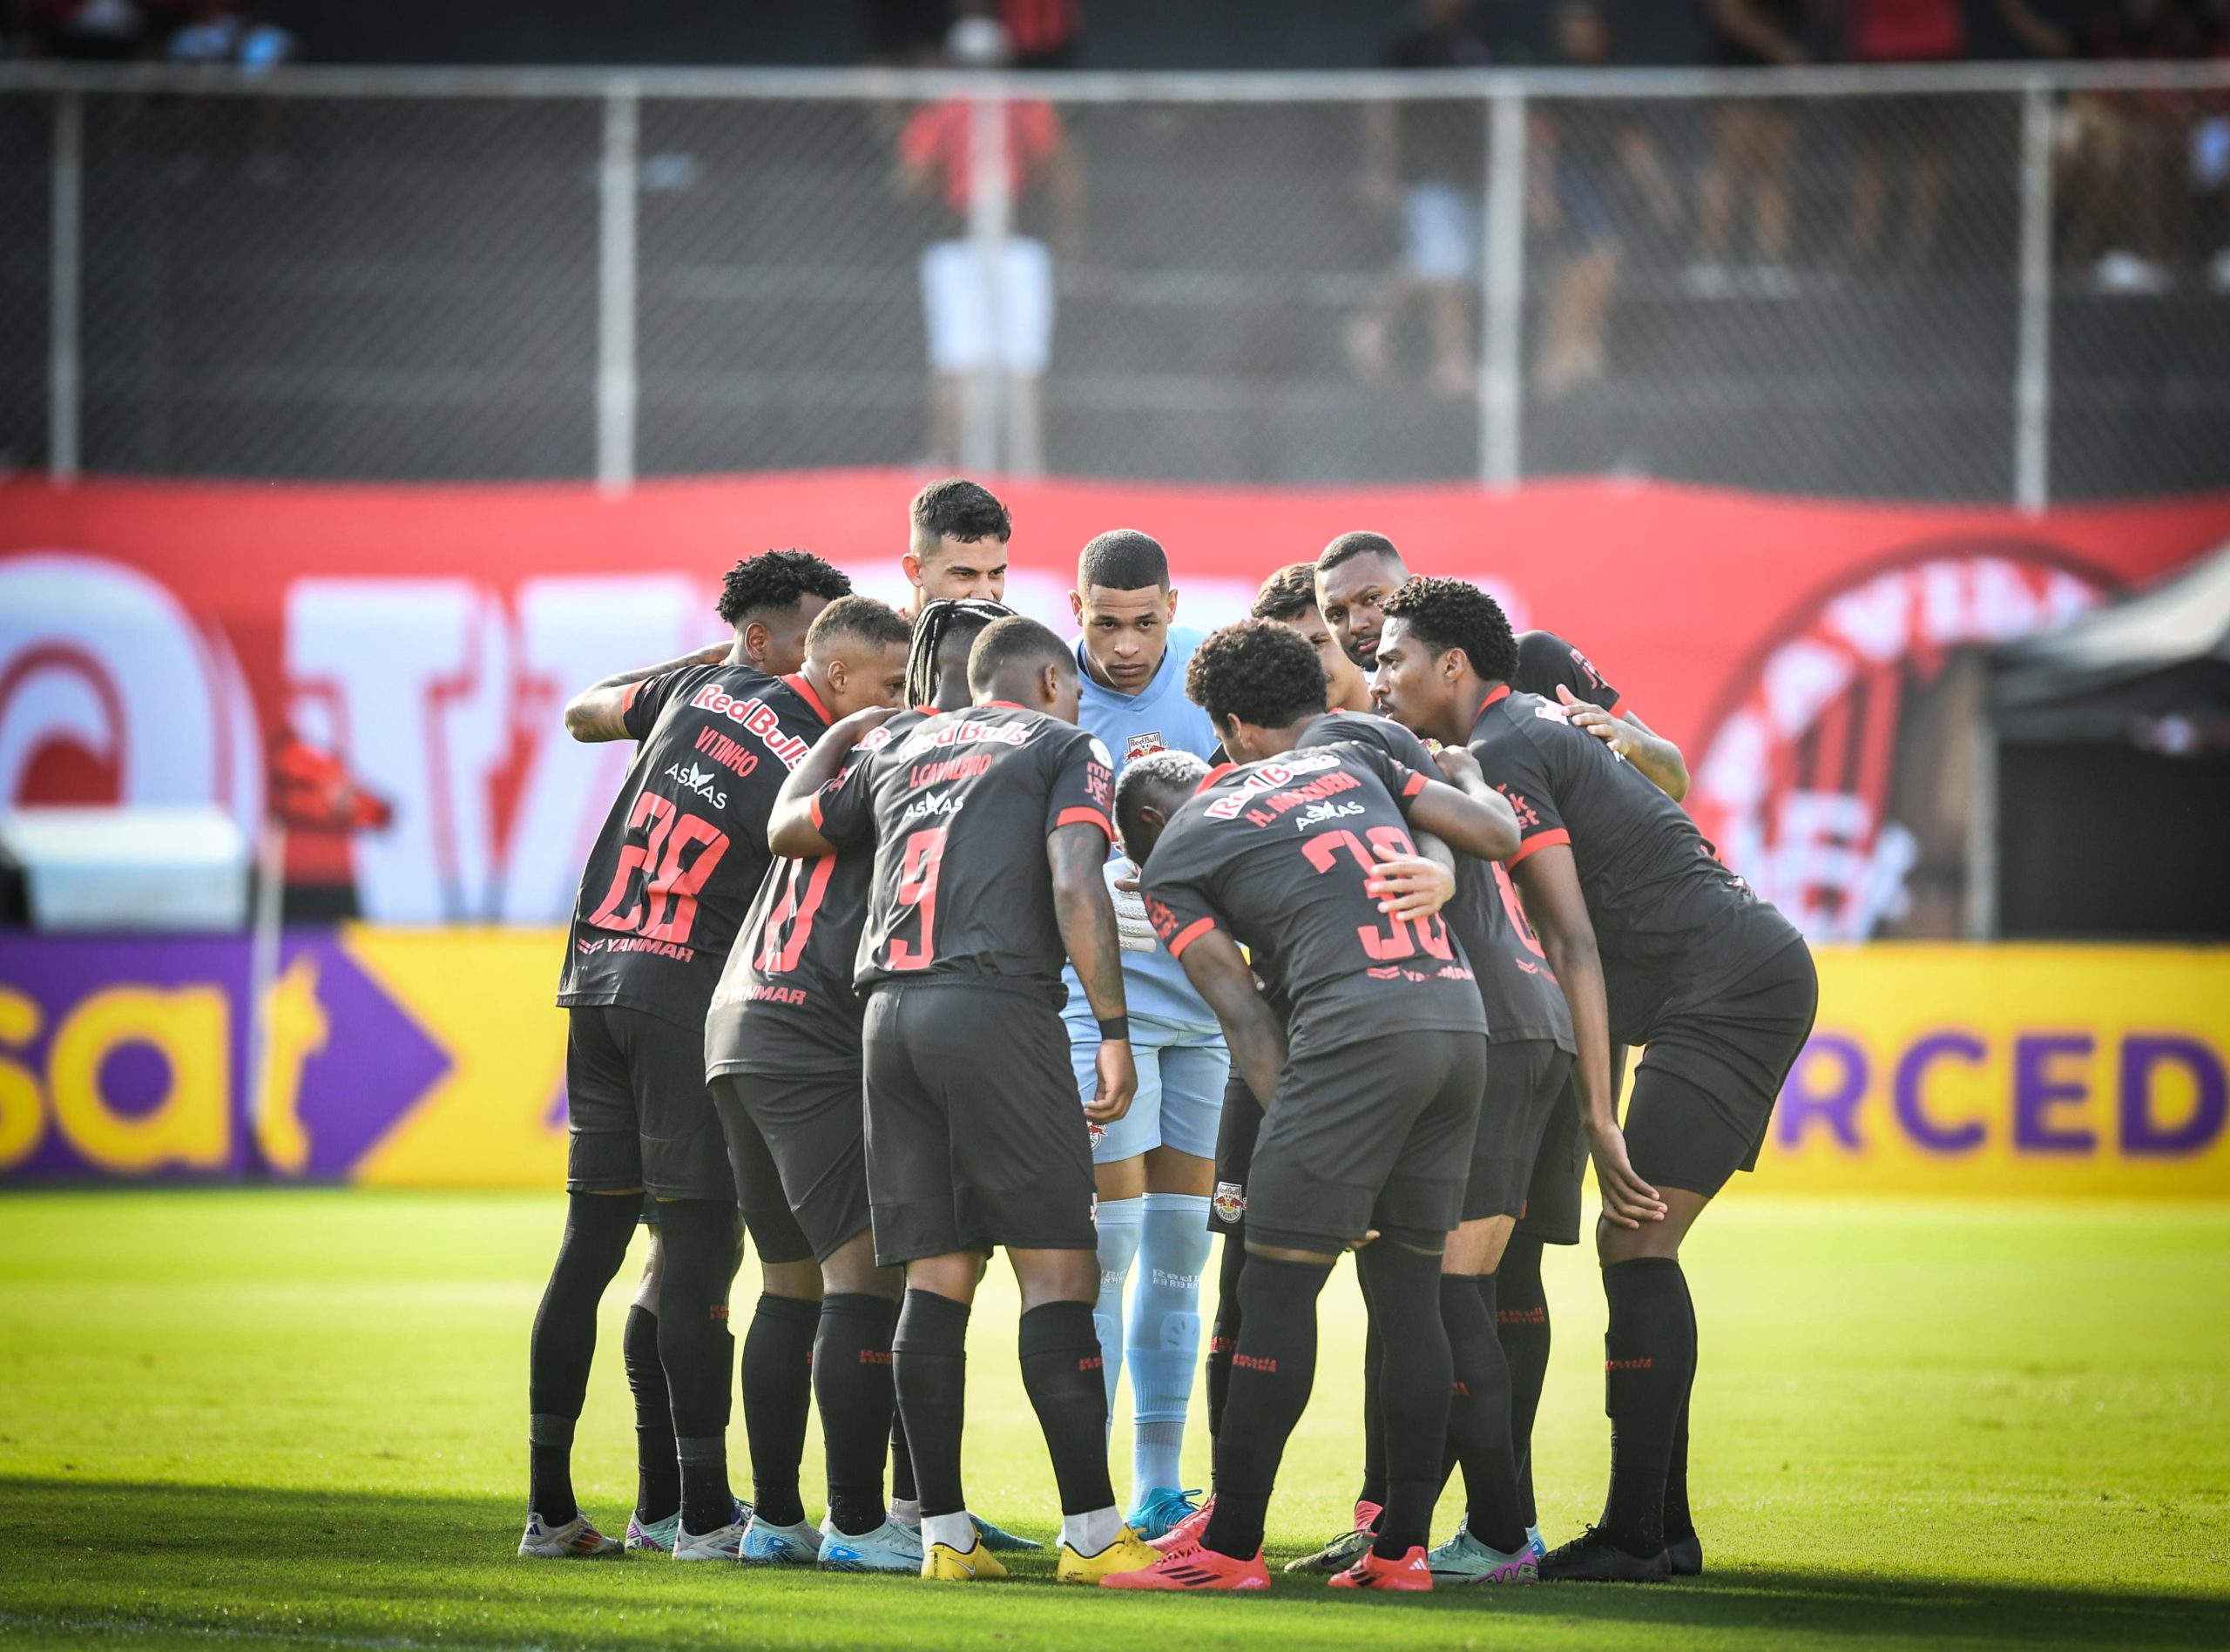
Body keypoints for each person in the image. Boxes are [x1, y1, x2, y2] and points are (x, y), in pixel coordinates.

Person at [1375, 577, 1818, 1582]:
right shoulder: (1512, 728)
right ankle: (1661, 1531)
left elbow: (1572, 940)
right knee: (1635, 1241)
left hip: (1730, 985)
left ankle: (1637, 1531)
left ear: (1452, 665)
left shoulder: (1503, 745)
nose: (1380, 674)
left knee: (1637, 1233)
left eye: (1395, 655)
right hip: (1719, 976)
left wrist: (1596, 1121)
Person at [1102, 620, 1518, 1593]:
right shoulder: (1352, 754)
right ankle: (1401, 1551)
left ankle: (1231, 1548)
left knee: (1274, 1288)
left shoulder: (1176, 856)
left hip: (1351, 1044)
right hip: (1457, 1025)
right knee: (1414, 1293)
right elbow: (1492, 834)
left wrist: (1309, 1140)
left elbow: (1247, 1021)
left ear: (1230, 727)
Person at [1308, 528, 1690, 1566]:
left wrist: (1601, 1106)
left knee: (1452, 1286)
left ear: (1444, 650)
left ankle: (1486, 1528)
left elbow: (1651, 785)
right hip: (1519, 1024)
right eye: (1346, 621)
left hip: (1502, 1027)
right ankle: (1422, 1525)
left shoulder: (1506, 709)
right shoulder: (1435, 731)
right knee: (1451, 1284)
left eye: (1380, 619)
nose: (1362, 639)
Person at [766, 616, 1160, 1585]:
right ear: (1047, 681)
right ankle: (1093, 1533)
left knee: (937, 1278)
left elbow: (785, 827)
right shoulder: (1066, 744)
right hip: (995, 1011)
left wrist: (837, 735)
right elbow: (1077, 879)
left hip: (887, 1021)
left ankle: (943, 1536)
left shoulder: (899, 739)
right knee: (1061, 1274)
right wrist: (1111, 1029)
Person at [523, 549, 854, 1563]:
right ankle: (706, 1516)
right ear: (767, 636)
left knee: (593, 1252)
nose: (831, 665)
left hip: (597, 980)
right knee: (697, 1260)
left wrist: (707, 665)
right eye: (814, 637)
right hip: (686, 999)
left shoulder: (700, 680)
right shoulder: (818, 734)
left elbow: (582, 712)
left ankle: (563, 1511)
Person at [682, 597, 913, 1568]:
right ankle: (858, 1525)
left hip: (735, 1024)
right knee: (864, 1279)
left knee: (788, 1283)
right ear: (840, 680)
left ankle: (778, 1519)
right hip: (804, 1038)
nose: (908, 702)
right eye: (893, 686)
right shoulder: (898, 778)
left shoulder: (821, 778)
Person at [1060, 530, 1227, 1540]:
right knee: (1105, 1250)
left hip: (1203, 1002)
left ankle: (1160, 1485)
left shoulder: (1212, 681)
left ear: (1173, 605)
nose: (1126, 646)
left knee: (1178, 1251)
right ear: (1074, 608)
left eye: (1144, 623)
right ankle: (1095, 1502)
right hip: (1095, 1005)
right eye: (1104, 623)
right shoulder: (1046, 686)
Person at [1314, 529, 1689, 800]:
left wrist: (1628, 741)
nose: (1356, 623)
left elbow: (1675, 780)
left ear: (1414, 586)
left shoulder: (1539, 659)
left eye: (1371, 598)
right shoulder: (1379, 732)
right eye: (1336, 613)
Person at [896, 15, 1083, 475]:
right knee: (1004, 362)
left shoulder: (944, 109)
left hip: (981, 242)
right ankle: (1021, 464)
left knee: (969, 361)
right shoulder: (1024, 105)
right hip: (994, 243)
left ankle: (954, 463)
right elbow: (1059, 170)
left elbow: (912, 179)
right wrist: (1067, 231)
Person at [1348, 0, 1494, 399]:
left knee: (1447, 267)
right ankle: (1452, 362)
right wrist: (1381, 166)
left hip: (1470, 173)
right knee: (1445, 265)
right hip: (1426, 171)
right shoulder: (1409, 42)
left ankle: (1371, 324)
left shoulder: (1473, 39)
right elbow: (1382, 105)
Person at [1690, 0, 1814, 296]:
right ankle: (1709, 260)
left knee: (1772, 171)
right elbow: (1728, 13)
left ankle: (1769, 263)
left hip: (1780, 81)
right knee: (1727, 167)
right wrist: (1780, 52)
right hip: (1738, 70)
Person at [1250, 563, 1374, 713]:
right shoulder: (1254, 734)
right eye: (1287, 651)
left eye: (1318, 642)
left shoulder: (1407, 726)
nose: (1305, 664)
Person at [903, 478, 1012, 617]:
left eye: (995, 574)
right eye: (964, 574)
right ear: (915, 570)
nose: (985, 596)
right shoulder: (874, 638)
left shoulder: (1017, 638)